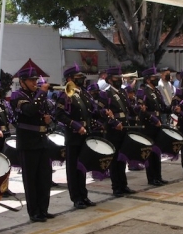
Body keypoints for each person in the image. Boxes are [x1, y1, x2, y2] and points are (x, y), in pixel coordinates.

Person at [11, 67, 54, 222]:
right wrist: (42, 92)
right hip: (28, 142)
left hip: (42, 140)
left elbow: (43, 112)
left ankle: (43, 209)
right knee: (31, 180)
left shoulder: (36, 95)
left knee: (44, 177)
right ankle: (34, 212)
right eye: (31, 80)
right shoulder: (17, 95)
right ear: (22, 82)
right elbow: (29, 110)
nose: (34, 83)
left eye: (36, 80)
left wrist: (47, 120)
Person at [55, 65, 98, 209]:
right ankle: (76, 198)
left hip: (85, 134)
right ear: (70, 78)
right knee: (73, 169)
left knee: (82, 167)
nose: (81, 79)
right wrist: (75, 125)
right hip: (73, 136)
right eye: (77, 77)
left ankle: (84, 195)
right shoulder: (65, 94)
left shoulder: (83, 93)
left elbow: (91, 111)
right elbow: (59, 115)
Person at [98, 66, 136, 197]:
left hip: (124, 128)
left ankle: (123, 185)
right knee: (114, 161)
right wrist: (113, 122)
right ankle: (116, 187)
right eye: (116, 78)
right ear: (109, 79)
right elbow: (102, 113)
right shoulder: (105, 94)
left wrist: (137, 109)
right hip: (113, 130)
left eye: (120, 78)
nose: (119, 80)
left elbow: (129, 110)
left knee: (122, 158)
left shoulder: (123, 93)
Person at [136, 66, 170, 187]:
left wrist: (173, 108)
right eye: (154, 78)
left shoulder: (156, 91)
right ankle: (152, 177)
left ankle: (158, 176)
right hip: (148, 125)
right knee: (150, 153)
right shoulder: (142, 91)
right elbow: (141, 110)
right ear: (148, 80)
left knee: (157, 151)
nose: (156, 79)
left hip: (158, 123)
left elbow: (162, 107)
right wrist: (153, 119)